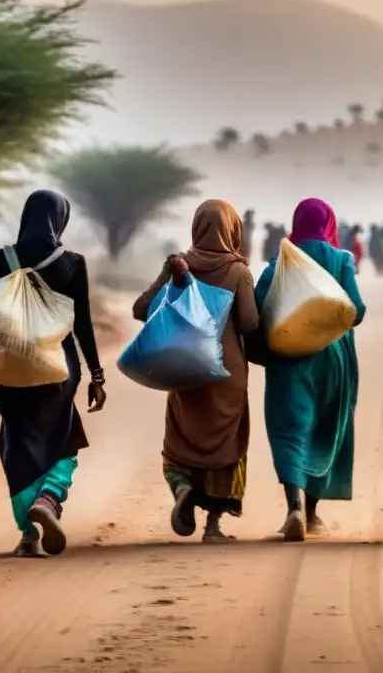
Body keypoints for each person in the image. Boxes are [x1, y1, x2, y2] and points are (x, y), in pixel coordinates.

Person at [0, 190, 108, 558]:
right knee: (63, 436)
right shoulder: (72, 262)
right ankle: (50, 497)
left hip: (10, 369)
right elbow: (83, 324)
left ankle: (27, 535)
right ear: (60, 220)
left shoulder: (1, 259)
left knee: (17, 445)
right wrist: (97, 376)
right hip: (58, 367)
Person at [132, 200, 260, 543]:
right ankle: (213, 526)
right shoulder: (238, 272)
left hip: (184, 370)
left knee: (180, 441)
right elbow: (249, 322)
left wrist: (169, 276)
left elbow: (141, 309)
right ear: (233, 230)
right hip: (226, 372)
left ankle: (182, 485)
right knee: (227, 443)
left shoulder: (179, 264)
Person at [256, 198, 366, 542]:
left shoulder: (281, 261)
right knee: (324, 426)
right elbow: (357, 310)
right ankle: (314, 513)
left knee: (291, 429)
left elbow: (259, 307)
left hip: (289, 358)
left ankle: (294, 508)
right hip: (333, 358)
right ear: (328, 224)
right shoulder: (342, 259)